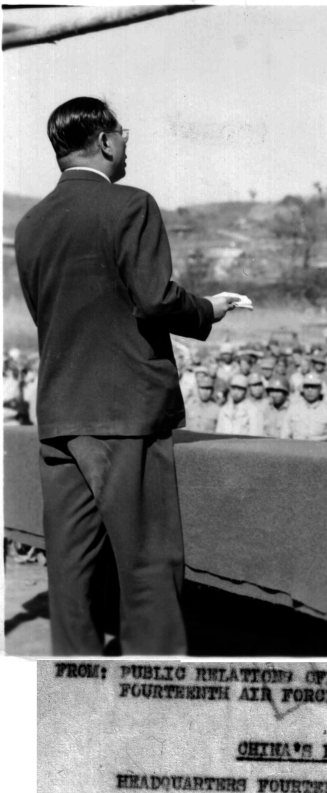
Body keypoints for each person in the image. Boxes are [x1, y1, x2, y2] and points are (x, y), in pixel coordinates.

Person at [14, 96, 240, 654]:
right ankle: (155, 704)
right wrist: (209, 308)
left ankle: (73, 696)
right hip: (124, 416)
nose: (127, 142)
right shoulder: (131, 205)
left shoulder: (30, 224)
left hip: (59, 417)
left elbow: (52, 315)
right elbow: (156, 299)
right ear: (107, 141)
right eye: (124, 133)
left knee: (70, 573)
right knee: (147, 569)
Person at [280, 373, 327, 441]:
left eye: (313, 387)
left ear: (320, 389)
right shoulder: (293, 408)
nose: (310, 390)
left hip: (320, 449)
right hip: (295, 448)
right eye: (307, 386)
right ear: (303, 388)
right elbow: (285, 435)